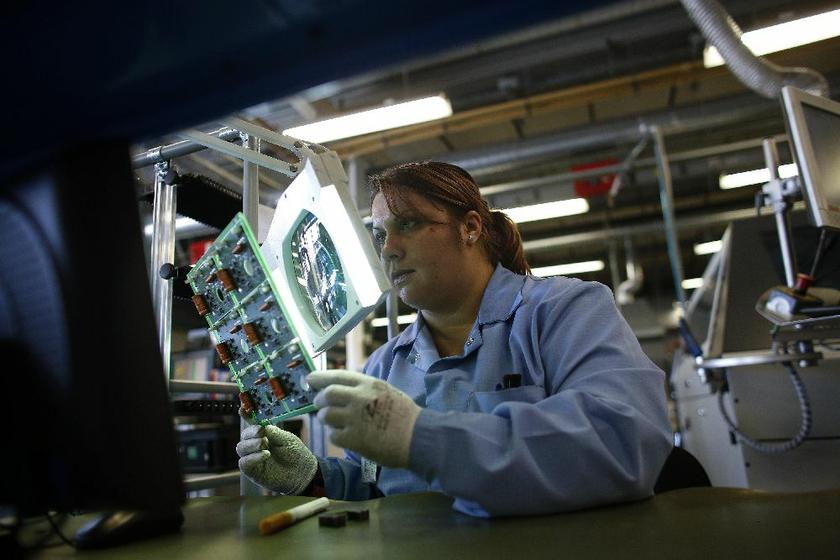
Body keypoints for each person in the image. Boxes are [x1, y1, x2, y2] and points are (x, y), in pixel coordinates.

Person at [236, 161, 673, 517]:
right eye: (379, 233)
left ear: (470, 228)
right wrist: (316, 477)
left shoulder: (564, 312)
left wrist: (421, 436)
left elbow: (623, 441)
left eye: (407, 224)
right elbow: (377, 491)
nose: (388, 248)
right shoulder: (385, 365)